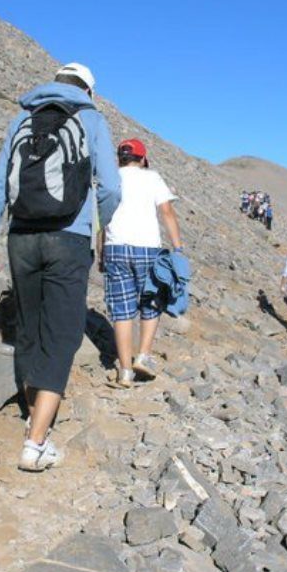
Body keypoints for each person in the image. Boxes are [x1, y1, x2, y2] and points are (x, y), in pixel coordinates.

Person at [0, 63, 120, 472]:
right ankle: (36, 442)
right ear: (89, 92)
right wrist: (98, 226)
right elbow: (111, 187)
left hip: (21, 236)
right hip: (68, 238)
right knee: (63, 334)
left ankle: (33, 411)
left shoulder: (23, 117)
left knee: (29, 327)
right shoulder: (91, 119)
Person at [100, 138, 183, 387]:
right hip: (147, 248)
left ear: (119, 158)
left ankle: (125, 371)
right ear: (143, 158)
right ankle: (143, 356)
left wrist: (101, 251)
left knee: (122, 311)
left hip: (115, 248)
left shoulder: (109, 178)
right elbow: (167, 212)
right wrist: (178, 248)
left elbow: (103, 217)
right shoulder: (152, 178)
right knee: (152, 302)